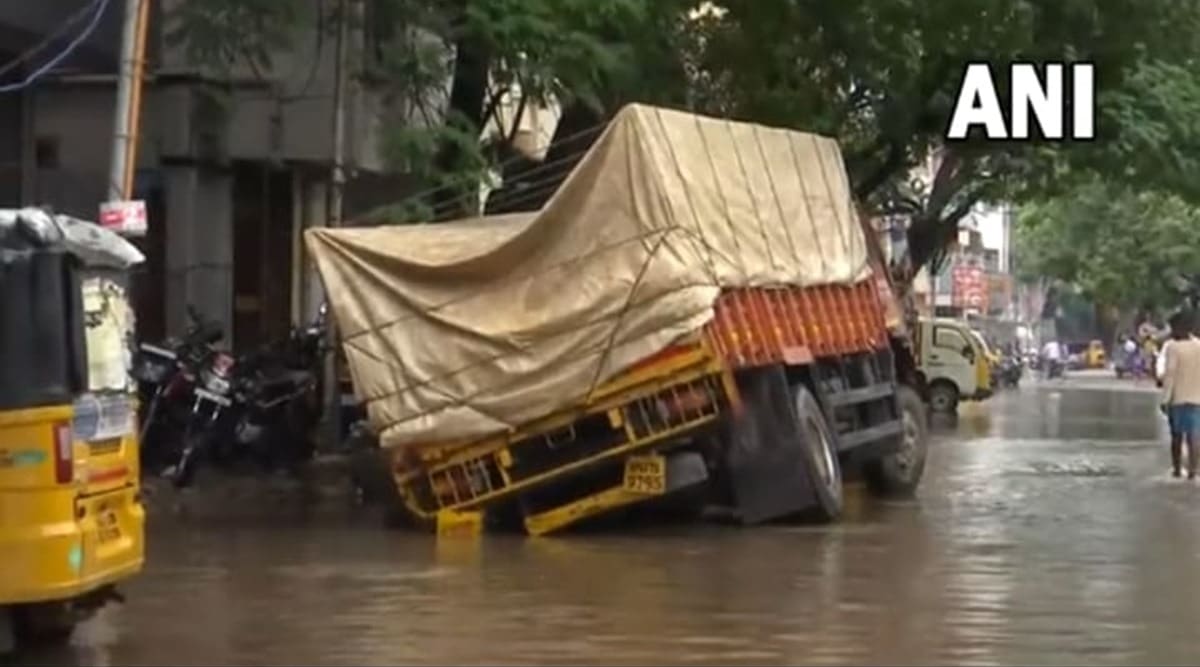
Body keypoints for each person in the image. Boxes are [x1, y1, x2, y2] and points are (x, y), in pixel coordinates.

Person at [1160, 310, 1200, 478]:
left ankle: (1177, 470)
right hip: (1197, 397)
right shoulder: (1199, 345)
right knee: (1195, 435)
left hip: (1178, 398)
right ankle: (1193, 470)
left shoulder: (1173, 348)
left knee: (1177, 435)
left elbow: (1170, 374)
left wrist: (1165, 399)